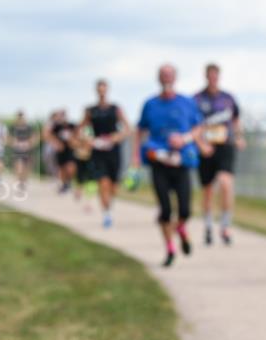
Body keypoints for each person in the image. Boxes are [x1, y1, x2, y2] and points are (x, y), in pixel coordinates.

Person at [134, 63, 209, 267]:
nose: (166, 78)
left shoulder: (187, 102)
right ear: (159, 78)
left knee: (185, 210)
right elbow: (140, 130)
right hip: (158, 162)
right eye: (163, 75)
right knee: (165, 210)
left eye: (170, 75)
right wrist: (136, 157)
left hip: (181, 161)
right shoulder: (150, 104)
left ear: (175, 78)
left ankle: (181, 229)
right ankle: (170, 249)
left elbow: (198, 128)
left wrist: (184, 139)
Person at [194, 63, 245, 245]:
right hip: (206, 148)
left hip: (225, 145)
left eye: (216, 75)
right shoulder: (197, 99)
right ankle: (208, 225)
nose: (213, 79)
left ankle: (225, 225)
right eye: (210, 75)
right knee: (207, 190)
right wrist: (200, 144)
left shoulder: (228, 98)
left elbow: (237, 120)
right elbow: (193, 126)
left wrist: (239, 137)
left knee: (225, 183)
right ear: (206, 77)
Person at [79, 79, 131, 227]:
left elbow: (127, 129)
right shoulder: (90, 111)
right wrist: (87, 139)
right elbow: (80, 129)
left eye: (104, 89)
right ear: (96, 91)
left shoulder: (116, 109)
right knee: (103, 182)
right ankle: (106, 214)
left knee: (114, 186)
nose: (102, 92)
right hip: (97, 151)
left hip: (113, 151)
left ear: (107, 90)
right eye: (99, 89)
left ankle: (109, 205)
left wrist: (116, 137)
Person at [45, 110, 76, 193]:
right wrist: (56, 143)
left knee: (70, 167)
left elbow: (77, 134)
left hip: (70, 150)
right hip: (60, 151)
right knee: (62, 169)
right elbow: (47, 134)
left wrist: (74, 141)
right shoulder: (57, 126)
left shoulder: (72, 126)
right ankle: (64, 184)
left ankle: (68, 182)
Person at [8, 111, 38, 189]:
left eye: (22, 117)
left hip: (28, 150)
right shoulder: (13, 127)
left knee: (27, 167)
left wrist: (29, 144)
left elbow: (35, 137)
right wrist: (15, 143)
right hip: (17, 150)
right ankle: (20, 181)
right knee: (18, 166)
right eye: (19, 117)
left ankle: (24, 180)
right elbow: (9, 138)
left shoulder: (29, 127)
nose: (21, 119)